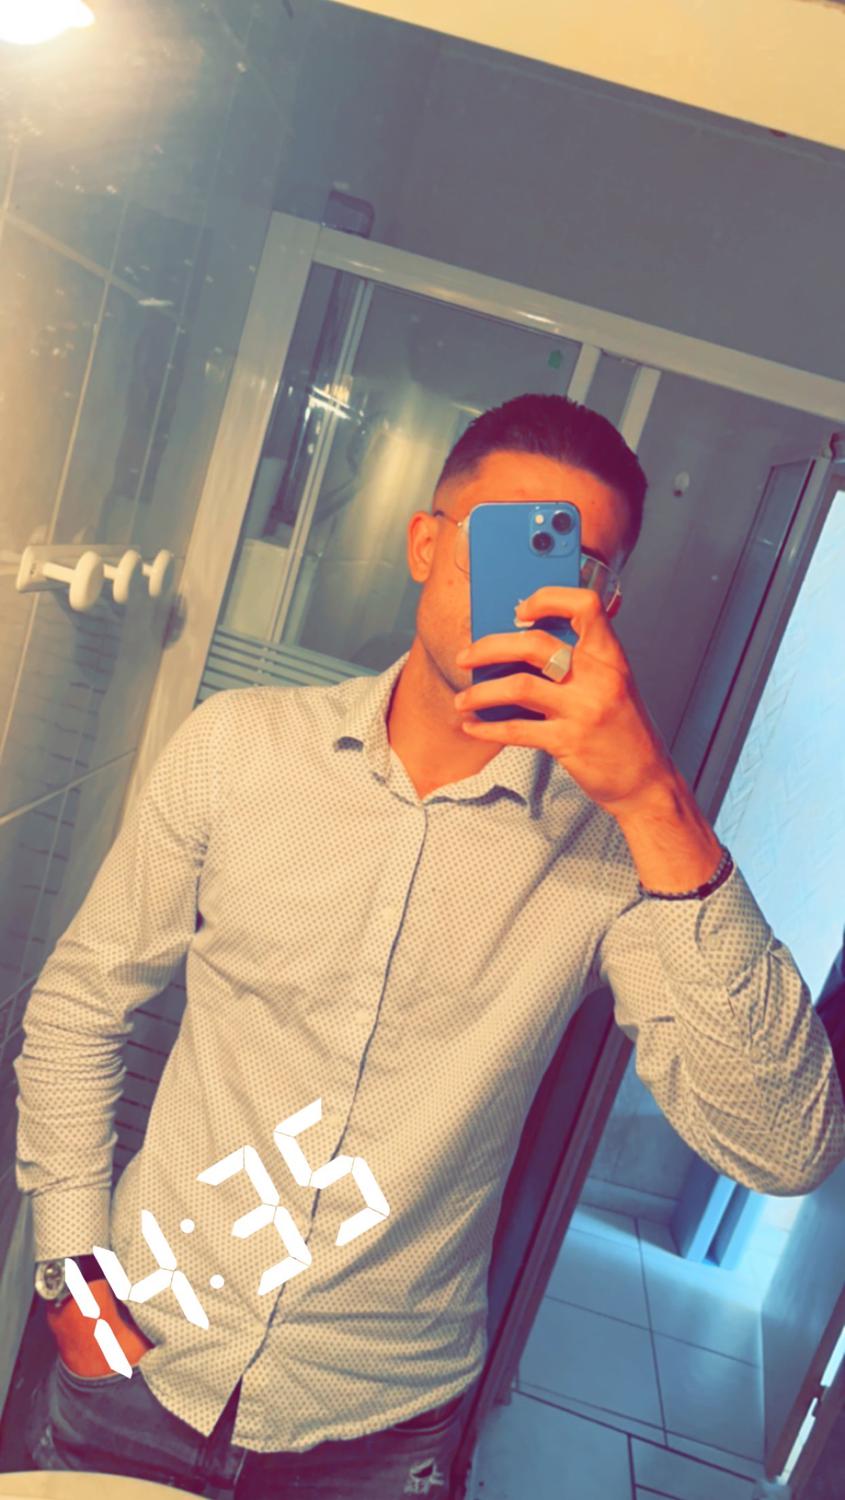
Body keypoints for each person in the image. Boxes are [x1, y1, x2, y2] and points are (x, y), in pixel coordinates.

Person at [13, 394, 845, 1498]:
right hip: (138, 1359)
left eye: (570, 564)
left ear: (605, 604)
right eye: (499, 545)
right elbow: (81, 1004)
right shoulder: (235, 751)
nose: (528, 588)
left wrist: (652, 796)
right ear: (422, 543)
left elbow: (785, 1148)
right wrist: (70, 1272)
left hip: (376, 1430)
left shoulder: (614, 847)